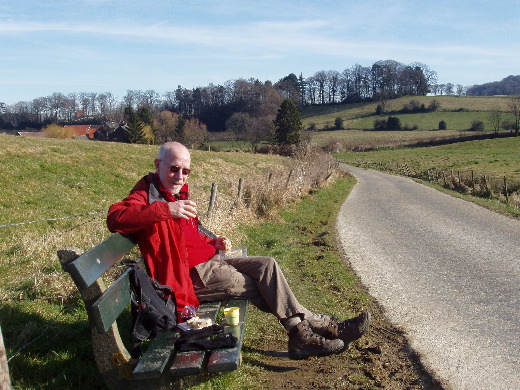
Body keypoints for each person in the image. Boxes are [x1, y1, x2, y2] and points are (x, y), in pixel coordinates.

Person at [107, 141, 370, 360]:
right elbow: (115, 218)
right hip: (189, 277)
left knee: (267, 266)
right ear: (157, 165)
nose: (180, 176)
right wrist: (166, 210)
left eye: (186, 171)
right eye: (174, 169)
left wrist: (214, 243)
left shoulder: (177, 195)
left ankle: (310, 331)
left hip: (212, 261)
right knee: (265, 288)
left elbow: (189, 237)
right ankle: (318, 329)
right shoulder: (148, 195)